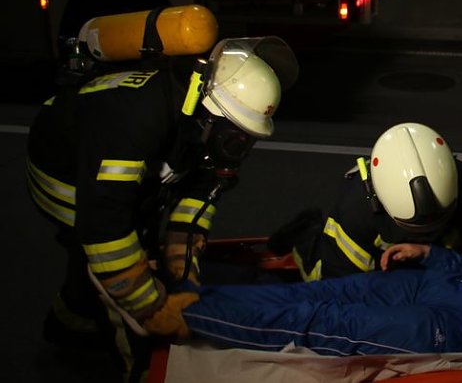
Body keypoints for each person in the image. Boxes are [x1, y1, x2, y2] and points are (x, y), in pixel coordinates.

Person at [27, 35, 299, 380]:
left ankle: (69, 322)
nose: (238, 149)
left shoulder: (206, 113)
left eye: (246, 139)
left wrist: (181, 255)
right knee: (118, 265)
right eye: (234, 138)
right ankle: (137, 367)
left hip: (107, 173)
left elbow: (200, 188)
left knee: (106, 256)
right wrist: (151, 307)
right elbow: (104, 228)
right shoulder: (136, 117)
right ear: (208, 114)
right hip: (63, 178)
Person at [173, 215, 462, 372]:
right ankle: (193, 294)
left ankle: (187, 318)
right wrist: (430, 253)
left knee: (323, 322)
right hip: (440, 282)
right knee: (324, 294)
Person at [268, 122, 462, 281]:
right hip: (371, 253)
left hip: (442, 250)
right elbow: (341, 283)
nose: (423, 235)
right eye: (414, 229)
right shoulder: (356, 210)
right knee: (317, 275)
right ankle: (306, 234)